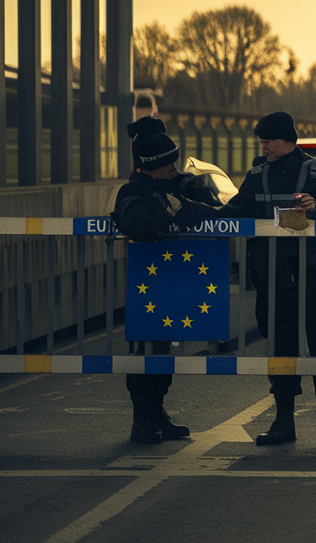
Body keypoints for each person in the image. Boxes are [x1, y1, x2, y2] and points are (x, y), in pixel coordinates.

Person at [214, 111, 316, 448]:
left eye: (267, 140)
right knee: (280, 345)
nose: (262, 146)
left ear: (285, 140)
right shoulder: (257, 174)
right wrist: (200, 212)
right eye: (261, 141)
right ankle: (283, 421)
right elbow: (236, 210)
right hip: (272, 273)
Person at [111, 116, 219, 443]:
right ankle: (141, 419)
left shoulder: (167, 188)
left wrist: (197, 196)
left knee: (162, 356)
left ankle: (157, 413)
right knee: (145, 354)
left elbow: (213, 208)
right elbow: (136, 222)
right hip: (148, 289)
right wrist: (167, 226)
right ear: (152, 167)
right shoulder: (134, 192)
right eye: (168, 167)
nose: (174, 170)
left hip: (169, 287)